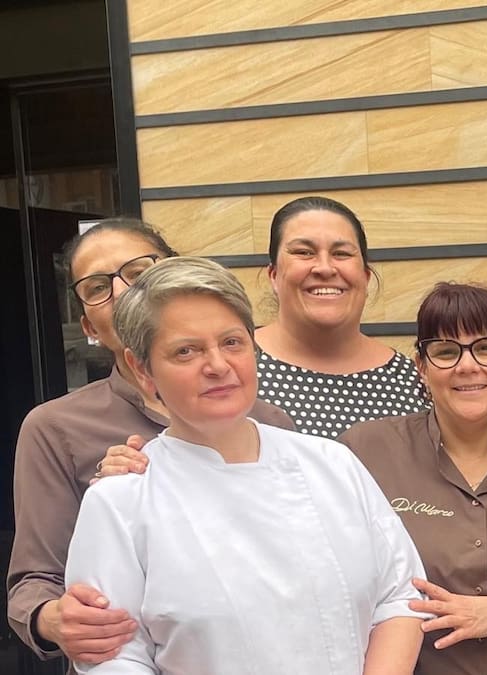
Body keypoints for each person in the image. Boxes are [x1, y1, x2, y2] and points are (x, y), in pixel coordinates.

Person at [64, 257, 427, 674]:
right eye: (186, 351)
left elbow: (401, 596)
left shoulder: (332, 464)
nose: (218, 365)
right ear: (143, 370)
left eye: (232, 342)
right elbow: (114, 658)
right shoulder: (120, 503)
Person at [5, 219, 293, 668]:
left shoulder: (266, 421)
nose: (123, 293)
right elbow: (33, 580)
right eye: (98, 286)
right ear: (88, 325)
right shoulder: (54, 428)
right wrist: (52, 617)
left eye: (138, 273)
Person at [338, 282, 487, 674]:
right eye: (445, 352)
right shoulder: (366, 452)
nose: (467, 366)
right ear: (421, 368)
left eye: (486, 348)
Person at [256, 196, 428, 437]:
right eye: (304, 252)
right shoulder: (232, 369)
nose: (325, 268)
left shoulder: (411, 381)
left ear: (365, 277)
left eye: (342, 254)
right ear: (274, 275)